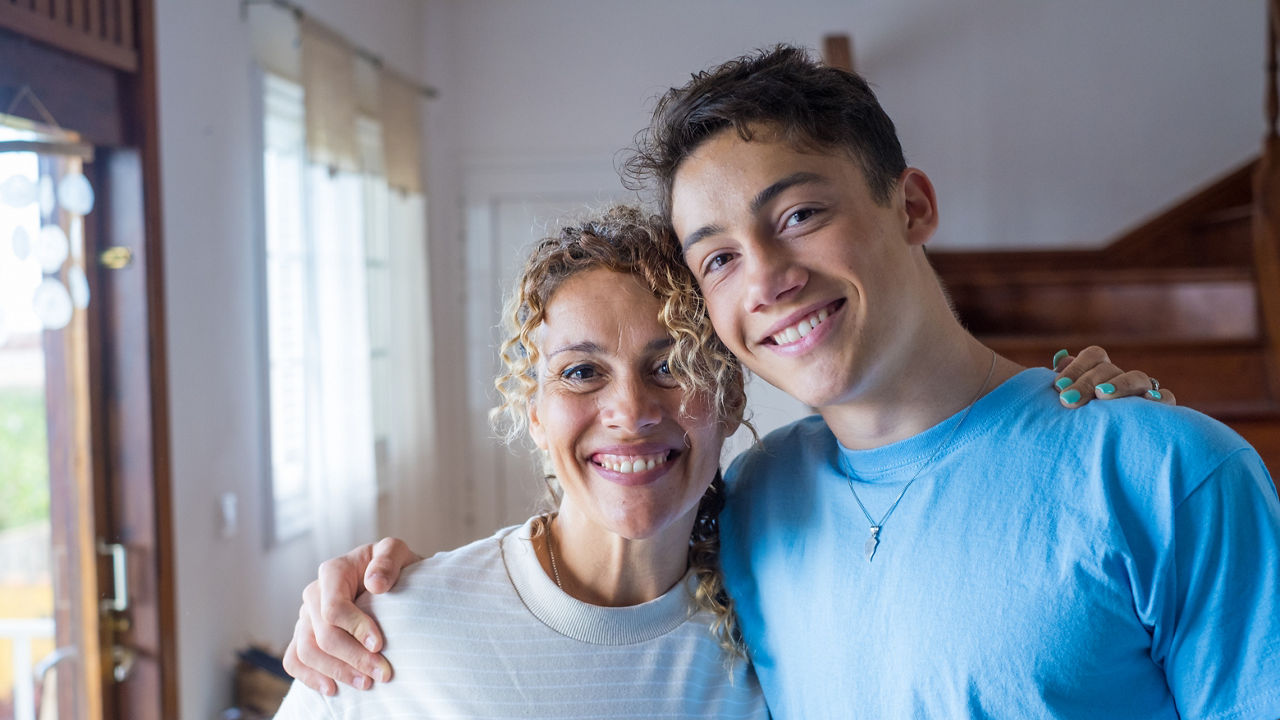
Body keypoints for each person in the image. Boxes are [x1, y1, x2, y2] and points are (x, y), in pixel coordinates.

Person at [289, 46, 1280, 718]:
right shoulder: (757, 509)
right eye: (715, 256)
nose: (764, 276)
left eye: (799, 214)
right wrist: (364, 595)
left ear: (913, 205)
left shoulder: (1162, 471)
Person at [273, 206, 768, 718]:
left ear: (729, 399)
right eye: (581, 372)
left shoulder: (773, 638)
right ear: (534, 414)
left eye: (669, 366)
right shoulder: (390, 634)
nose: (631, 412)